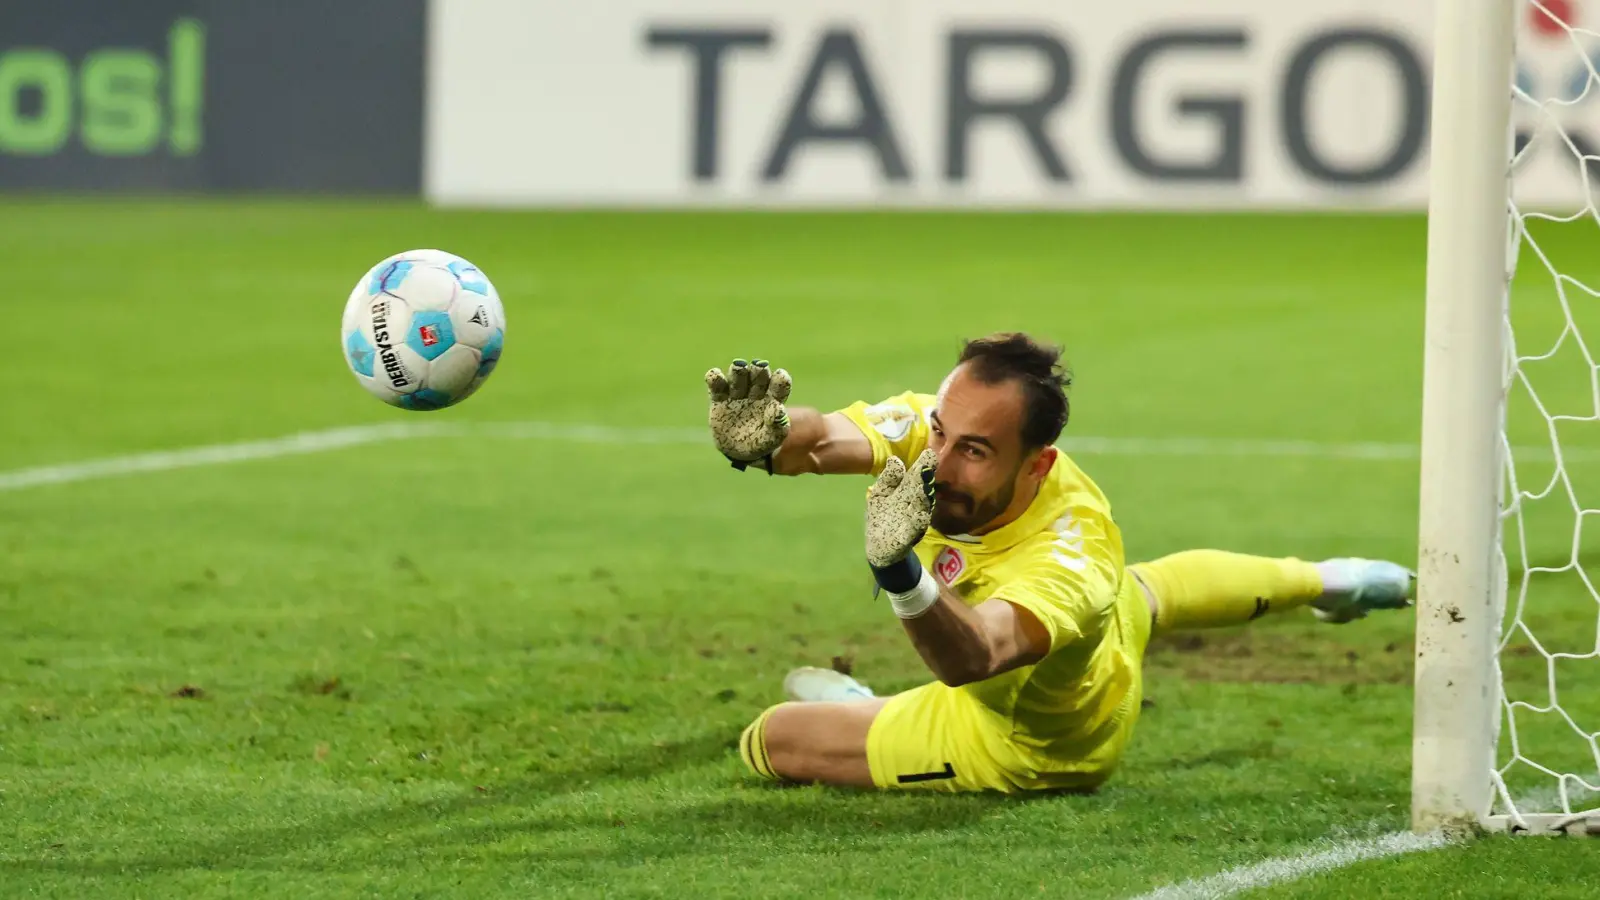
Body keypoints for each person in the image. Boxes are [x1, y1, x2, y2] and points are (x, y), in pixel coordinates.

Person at [704, 332, 1413, 794]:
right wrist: (761, 439)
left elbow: (976, 658)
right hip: (1104, 626)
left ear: (1038, 466)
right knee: (1155, 592)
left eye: (975, 452)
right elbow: (820, 441)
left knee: (771, 737)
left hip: (1031, 737)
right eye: (942, 434)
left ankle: (872, 712)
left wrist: (900, 572)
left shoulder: (1070, 554)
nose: (939, 465)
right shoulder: (938, 433)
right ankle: (1337, 580)